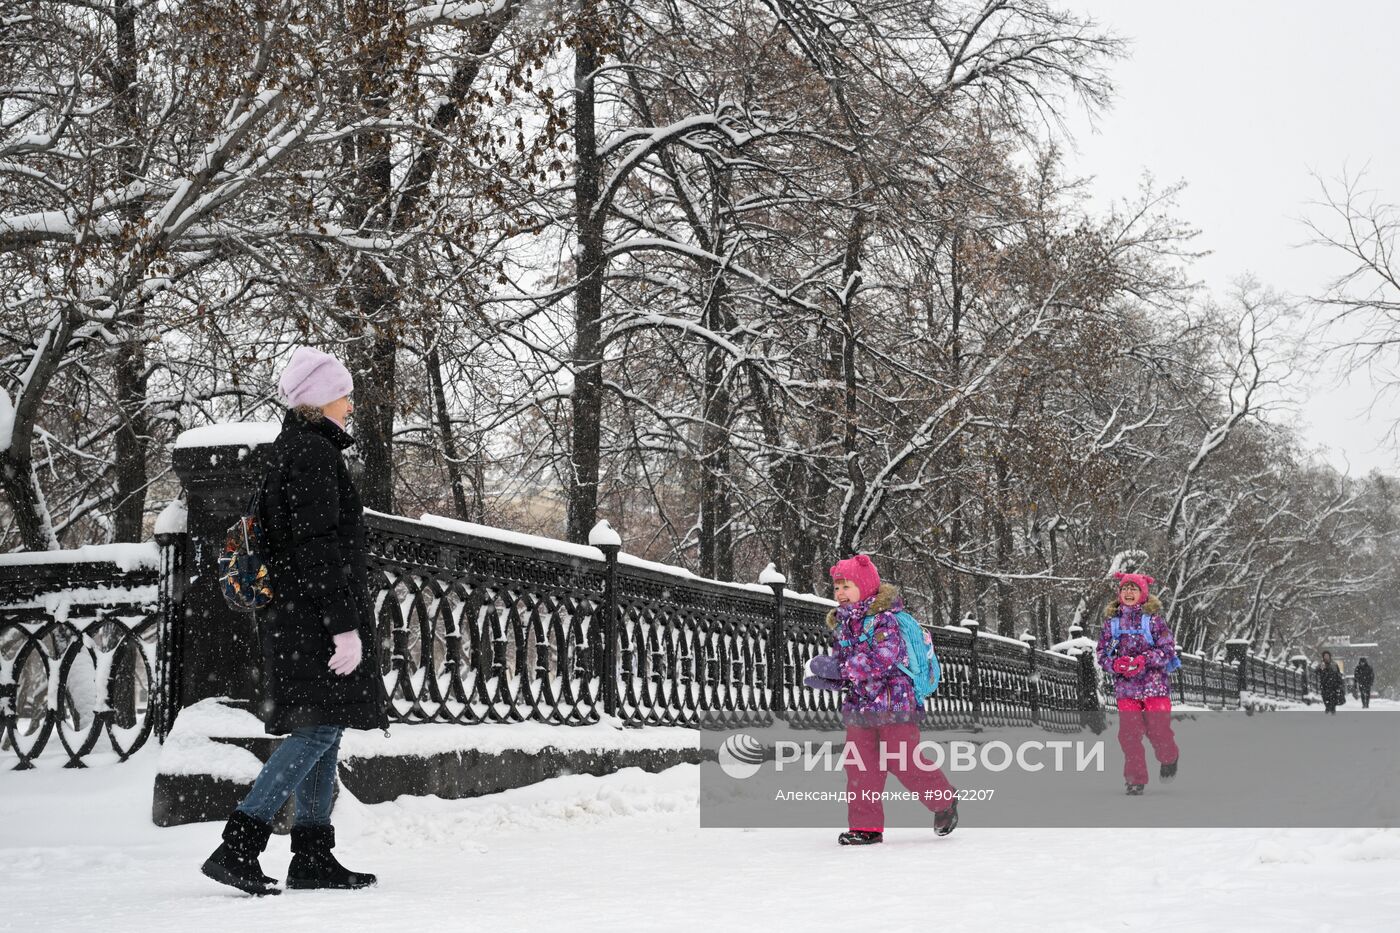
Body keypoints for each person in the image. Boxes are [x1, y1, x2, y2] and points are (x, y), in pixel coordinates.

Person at [201, 346, 387, 895]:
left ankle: (311, 856)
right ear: (322, 399)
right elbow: (316, 546)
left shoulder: (296, 450)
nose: (351, 404)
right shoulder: (311, 454)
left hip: (296, 615)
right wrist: (343, 625)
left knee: (325, 729)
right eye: (345, 394)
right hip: (310, 618)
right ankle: (239, 845)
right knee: (319, 729)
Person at [809, 554, 958, 846]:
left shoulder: (884, 619)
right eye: (836, 587)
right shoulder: (844, 623)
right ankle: (866, 827)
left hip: (895, 704)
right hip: (860, 706)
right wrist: (832, 675)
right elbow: (850, 663)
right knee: (860, 765)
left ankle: (944, 801)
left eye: (846, 586)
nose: (839, 593)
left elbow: (884, 658)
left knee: (902, 760)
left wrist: (842, 669)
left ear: (864, 586)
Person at [1096, 572, 1181, 796]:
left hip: (1155, 687)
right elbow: (1102, 655)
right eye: (1125, 589)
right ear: (1119, 593)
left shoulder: (1154, 621)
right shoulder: (1112, 625)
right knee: (1129, 734)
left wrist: (1143, 660)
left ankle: (1169, 756)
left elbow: (1167, 650)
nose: (1129, 593)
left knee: (1158, 730)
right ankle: (1135, 779)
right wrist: (1116, 665)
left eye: (1134, 589)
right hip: (1127, 690)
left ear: (1143, 594)